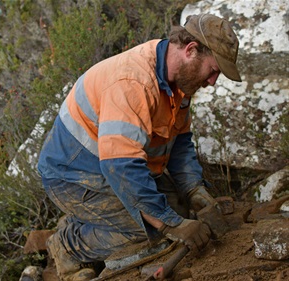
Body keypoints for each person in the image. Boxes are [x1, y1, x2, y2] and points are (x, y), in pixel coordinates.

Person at [38, 13, 241, 281]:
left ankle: (94, 219)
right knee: (151, 231)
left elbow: (179, 144)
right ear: (191, 50)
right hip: (72, 176)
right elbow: (120, 165)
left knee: (181, 211)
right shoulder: (133, 82)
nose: (213, 81)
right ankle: (67, 245)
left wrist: (194, 190)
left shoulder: (179, 84)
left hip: (110, 169)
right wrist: (167, 223)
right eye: (213, 70)